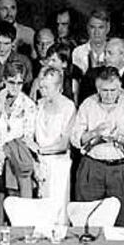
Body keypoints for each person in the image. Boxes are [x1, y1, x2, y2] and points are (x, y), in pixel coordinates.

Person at [71, 66, 124, 227]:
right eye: (104, 90)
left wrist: (119, 138)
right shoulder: (87, 104)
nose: (109, 95)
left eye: (113, 90)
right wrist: (94, 133)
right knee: (87, 217)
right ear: (97, 88)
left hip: (121, 168)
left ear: (121, 88)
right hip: (92, 166)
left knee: (123, 220)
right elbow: (75, 139)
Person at [0, 62, 36, 226]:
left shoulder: (29, 105)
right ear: (4, 80)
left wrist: (8, 150)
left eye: (19, 83)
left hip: (16, 164)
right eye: (11, 82)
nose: (15, 87)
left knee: (17, 214)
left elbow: (28, 137)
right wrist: (0, 102)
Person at [34, 66, 76, 225]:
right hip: (40, 162)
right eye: (41, 86)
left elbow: (64, 143)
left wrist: (41, 150)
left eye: (47, 87)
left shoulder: (68, 107)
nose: (42, 90)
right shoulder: (39, 104)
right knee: (41, 207)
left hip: (59, 164)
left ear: (59, 87)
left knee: (58, 208)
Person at [79, 38, 124, 118]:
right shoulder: (91, 76)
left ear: (123, 56)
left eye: (110, 53)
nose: (105, 57)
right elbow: (84, 107)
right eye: (105, 53)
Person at [0, 21, 32, 94]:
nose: (1, 48)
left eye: (6, 43)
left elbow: (28, 88)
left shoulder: (24, 61)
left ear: (13, 43)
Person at [72, 9, 110, 74]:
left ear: (108, 28)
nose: (96, 32)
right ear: (87, 28)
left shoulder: (114, 51)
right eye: (92, 27)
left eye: (101, 27)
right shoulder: (78, 52)